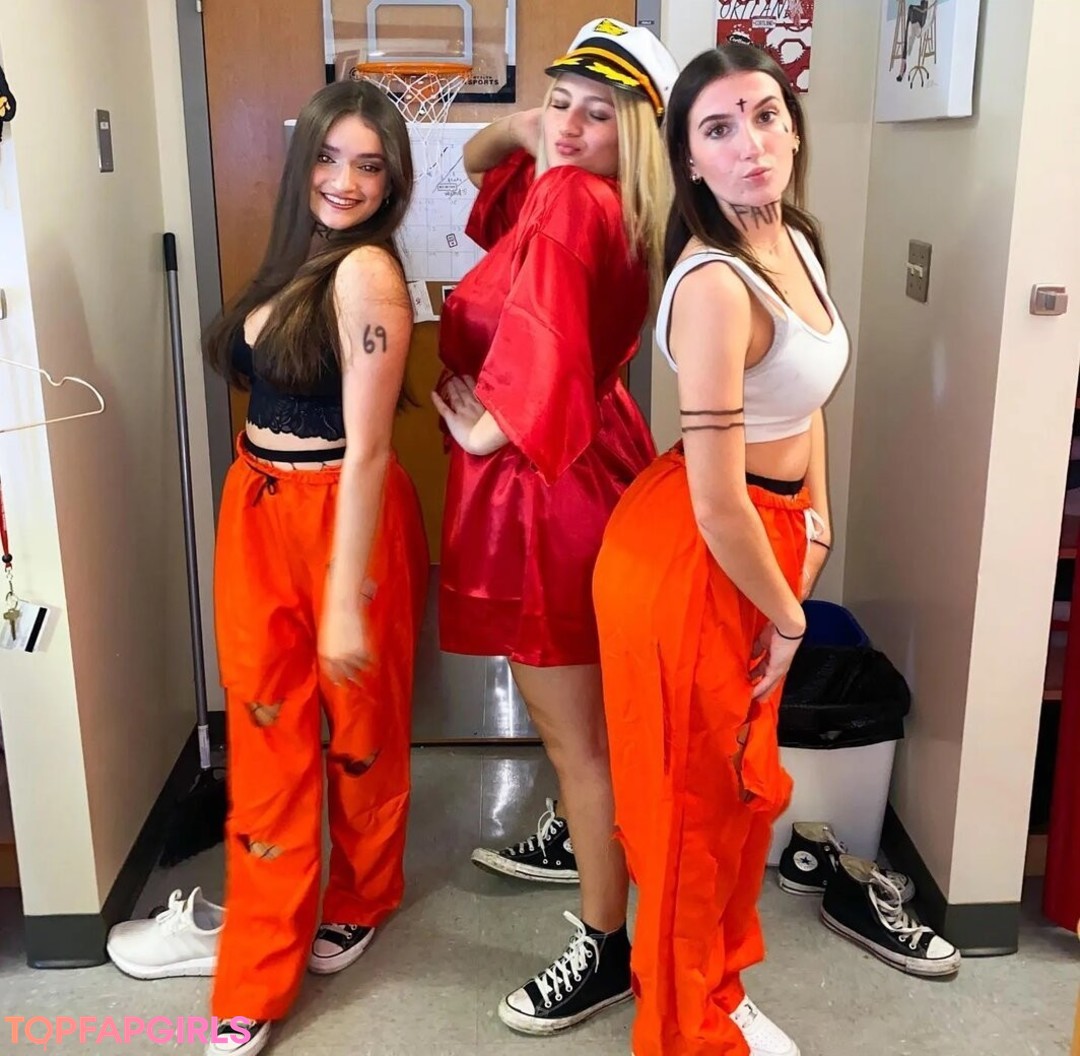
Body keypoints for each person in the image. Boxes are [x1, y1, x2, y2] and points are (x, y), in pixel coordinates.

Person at [592, 43, 849, 1056]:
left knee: (742, 799)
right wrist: (790, 615)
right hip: (700, 553)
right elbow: (714, 497)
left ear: (794, 126)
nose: (752, 143)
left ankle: (717, 986)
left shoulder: (793, 237)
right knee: (689, 818)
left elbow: (809, 393)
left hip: (767, 539)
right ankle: (681, 1030)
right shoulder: (714, 285)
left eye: (766, 114)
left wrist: (818, 520)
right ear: (690, 161)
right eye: (719, 128)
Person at [431, 16, 678, 1036]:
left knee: (580, 739)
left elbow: (543, 348)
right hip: (585, 461)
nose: (570, 127)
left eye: (599, 113)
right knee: (577, 720)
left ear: (641, 133)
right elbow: (477, 163)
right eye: (561, 100)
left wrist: (487, 428)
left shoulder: (576, 200)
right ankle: (583, 840)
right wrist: (532, 123)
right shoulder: (588, 187)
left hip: (550, 482)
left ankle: (606, 948)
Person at [198, 79, 428, 1056]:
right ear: (303, 163)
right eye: (331, 158)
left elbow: (370, 451)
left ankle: (364, 895)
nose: (346, 181)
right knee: (267, 742)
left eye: (370, 166)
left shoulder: (368, 276)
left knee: (361, 736)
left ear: (392, 183)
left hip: (346, 521)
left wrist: (341, 598)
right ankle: (258, 968)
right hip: (257, 509)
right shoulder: (293, 261)